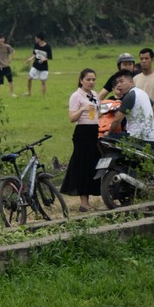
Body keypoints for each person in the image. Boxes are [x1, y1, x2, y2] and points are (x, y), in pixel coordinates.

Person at [63, 68, 102, 209]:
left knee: (95, 165)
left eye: (93, 79)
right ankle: (84, 203)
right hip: (82, 133)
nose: (91, 82)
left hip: (94, 132)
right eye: (88, 79)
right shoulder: (76, 96)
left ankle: (96, 195)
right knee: (83, 166)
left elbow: (98, 113)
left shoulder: (95, 94)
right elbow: (72, 118)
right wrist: (82, 110)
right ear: (81, 81)